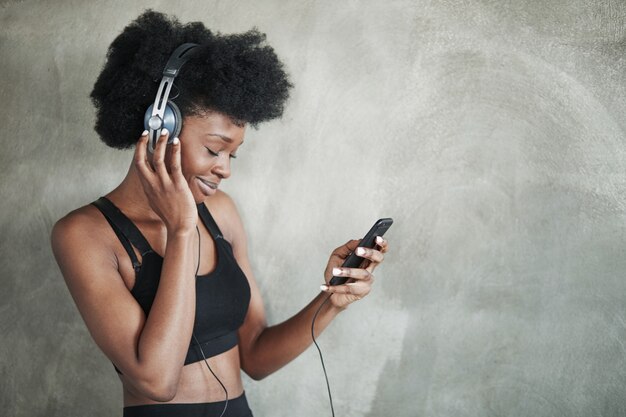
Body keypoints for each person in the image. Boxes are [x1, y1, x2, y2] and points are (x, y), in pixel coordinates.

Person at [50, 10, 389, 417]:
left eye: (232, 155)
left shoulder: (222, 214)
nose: (225, 169)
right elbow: (156, 381)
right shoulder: (84, 234)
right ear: (162, 128)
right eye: (213, 149)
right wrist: (180, 231)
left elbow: (258, 357)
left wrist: (333, 301)